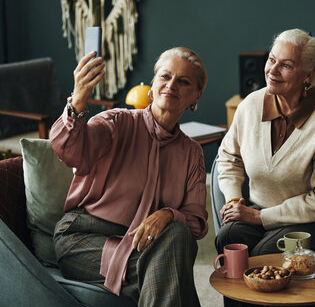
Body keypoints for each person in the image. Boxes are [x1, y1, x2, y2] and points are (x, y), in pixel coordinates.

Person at [51, 47, 209, 306]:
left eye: (183, 81)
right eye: (165, 77)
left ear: (196, 95)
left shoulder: (192, 153)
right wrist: (79, 97)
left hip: (142, 245)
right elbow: (70, 151)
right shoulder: (116, 122)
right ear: (152, 84)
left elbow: (195, 221)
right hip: (84, 239)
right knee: (170, 265)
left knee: (178, 236)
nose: (171, 85)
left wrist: (168, 214)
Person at [215, 28, 315, 256]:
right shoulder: (249, 106)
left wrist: (260, 217)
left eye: (286, 65)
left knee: (266, 253)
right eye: (271, 59)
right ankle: (236, 294)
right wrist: (235, 201)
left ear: (307, 74)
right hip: (264, 210)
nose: (272, 70)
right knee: (229, 238)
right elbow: (228, 157)